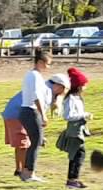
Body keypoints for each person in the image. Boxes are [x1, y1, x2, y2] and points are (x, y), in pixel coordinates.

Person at [17, 50, 64, 183]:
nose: (48, 67)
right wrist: (43, 115)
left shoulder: (32, 75)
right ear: (40, 62)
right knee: (36, 143)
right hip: (30, 111)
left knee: (36, 141)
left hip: (28, 111)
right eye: (48, 64)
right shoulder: (34, 76)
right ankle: (28, 173)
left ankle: (27, 171)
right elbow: (36, 96)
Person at [59, 68, 91, 190]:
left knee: (78, 154)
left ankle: (73, 179)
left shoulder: (76, 98)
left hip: (78, 129)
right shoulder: (71, 99)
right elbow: (68, 116)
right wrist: (84, 115)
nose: (85, 87)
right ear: (78, 86)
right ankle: (72, 180)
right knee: (77, 154)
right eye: (83, 85)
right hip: (74, 130)